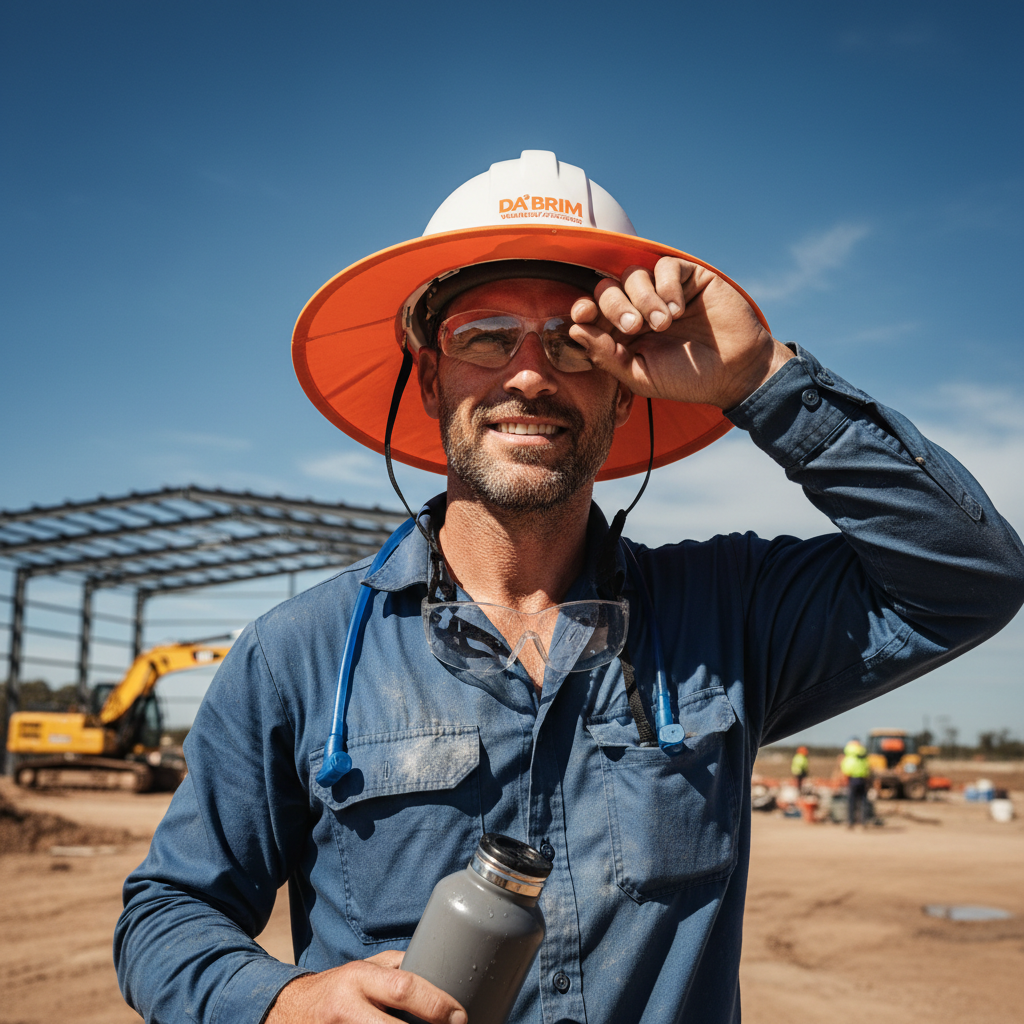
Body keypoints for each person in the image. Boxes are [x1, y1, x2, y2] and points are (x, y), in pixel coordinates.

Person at [114, 151, 1024, 1024]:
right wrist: (276, 1001)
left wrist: (763, 381)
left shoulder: (725, 614)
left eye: (572, 345)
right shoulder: (300, 656)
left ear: (626, 393)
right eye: (485, 337)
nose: (529, 374)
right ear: (429, 377)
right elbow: (166, 915)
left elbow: (970, 576)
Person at [840, 736, 872, 828]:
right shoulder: (863, 756)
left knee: (851, 802)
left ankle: (851, 822)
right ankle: (863, 822)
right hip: (862, 780)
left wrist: (845, 779)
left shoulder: (849, 757)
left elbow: (846, 770)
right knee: (863, 802)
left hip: (852, 780)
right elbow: (867, 769)